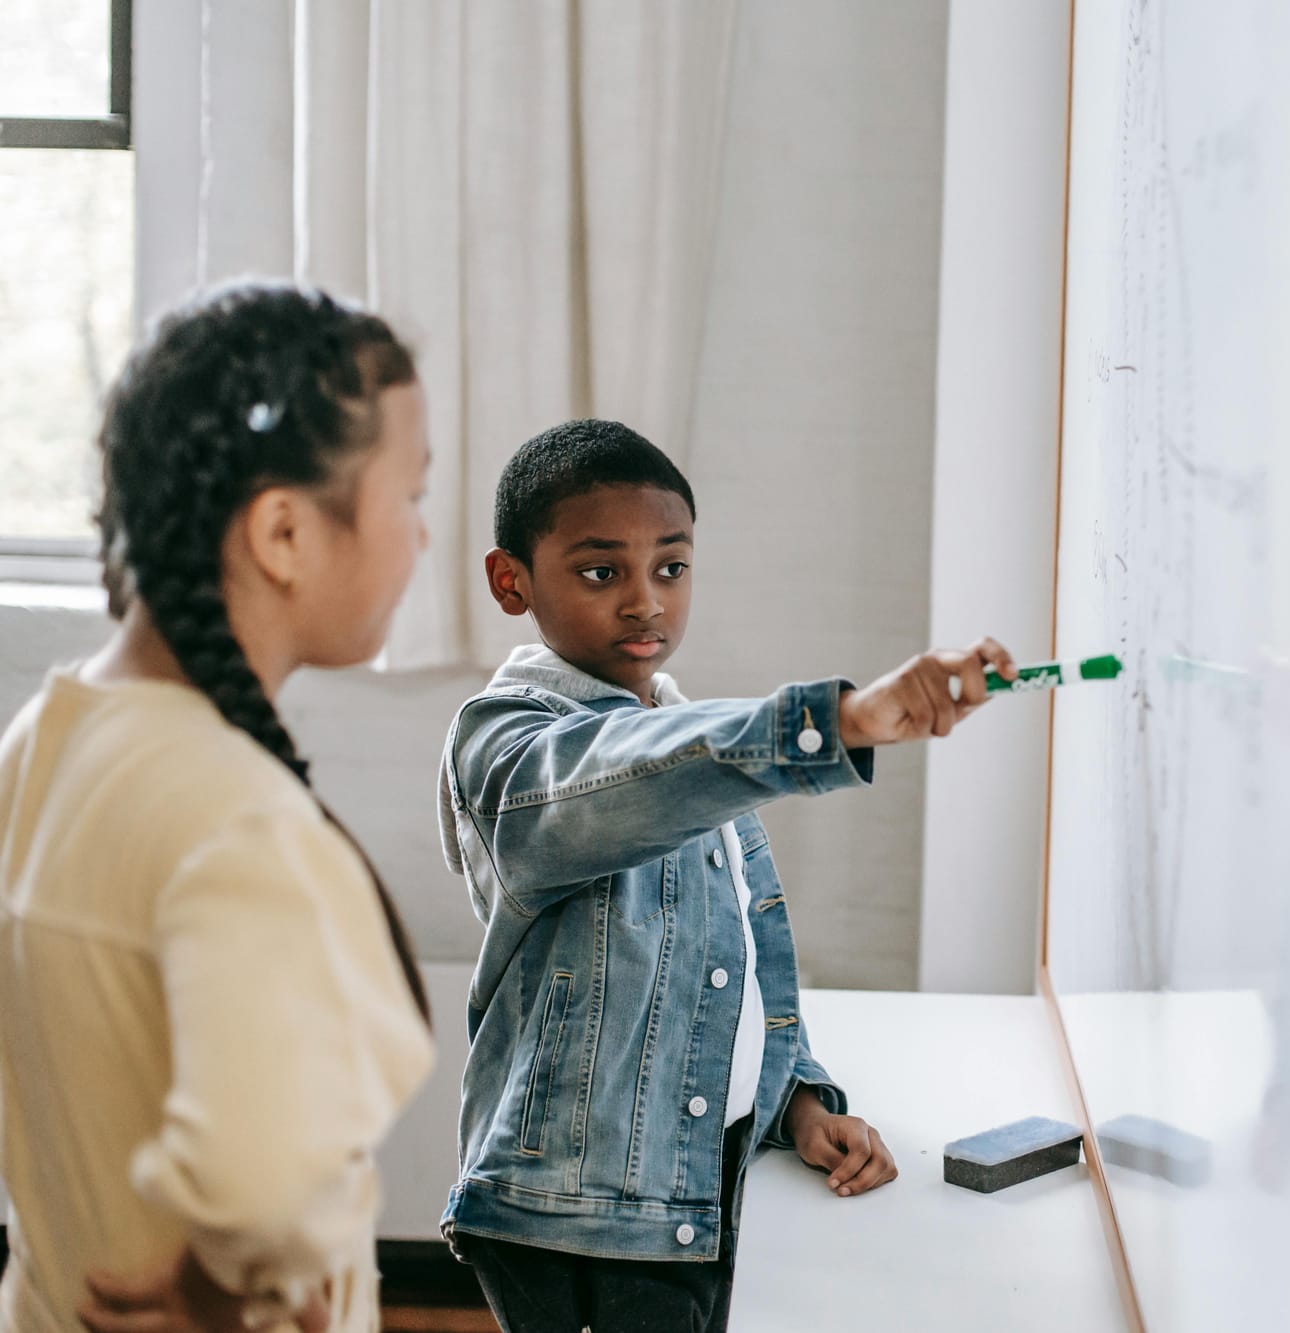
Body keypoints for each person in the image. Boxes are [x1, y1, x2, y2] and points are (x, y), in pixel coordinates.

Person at [438, 418, 1015, 1331]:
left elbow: (734, 966)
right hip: (575, 1215)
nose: (644, 602)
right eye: (601, 571)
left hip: (687, 1192)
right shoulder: (508, 743)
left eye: (671, 567)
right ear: (513, 580)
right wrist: (844, 719)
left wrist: (797, 1099)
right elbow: (608, 777)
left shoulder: (687, 738)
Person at [0, 283, 436, 1333]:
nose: (422, 541)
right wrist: (215, 1285)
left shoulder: (41, 740)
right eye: (409, 498)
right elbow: (263, 1177)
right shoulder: (245, 823)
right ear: (284, 532)